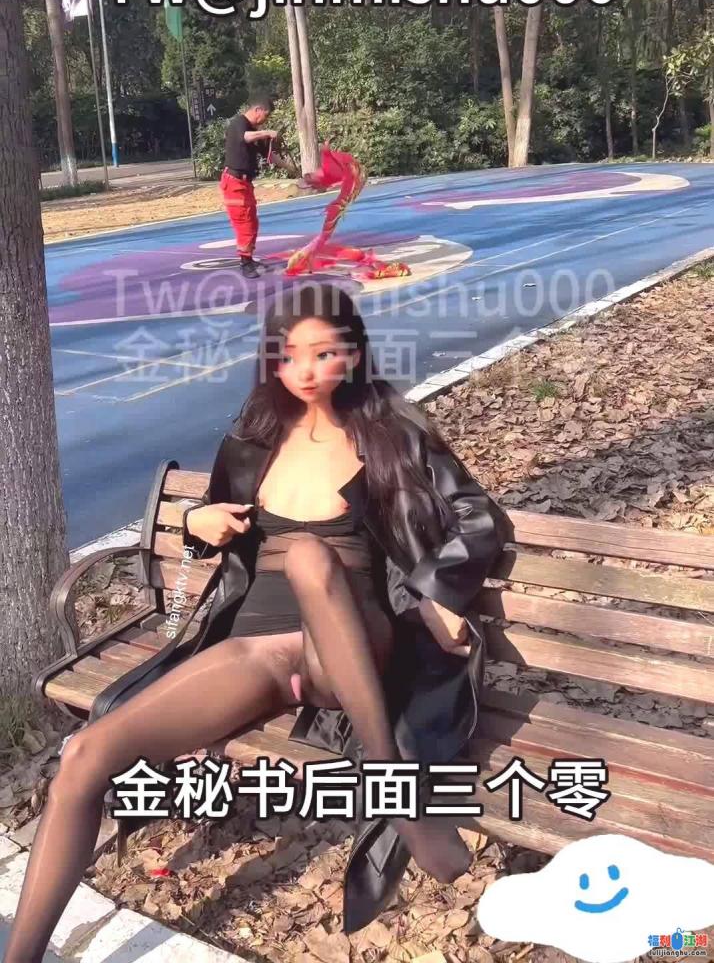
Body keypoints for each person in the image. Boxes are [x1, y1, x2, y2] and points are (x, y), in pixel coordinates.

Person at [5, 283, 513, 960]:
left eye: (324, 353)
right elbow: (215, 524)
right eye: (289, 354)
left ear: (354, 353)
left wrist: (440, 593)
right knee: (84, 756)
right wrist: (197, 520)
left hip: (353, 645)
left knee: (307, 556)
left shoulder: (392, 430)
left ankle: (393, 790)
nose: (306, 370)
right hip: (259, 648)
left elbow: (479, 516)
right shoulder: (254, 435)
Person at [220, 98, 298, 278]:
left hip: (246, 183)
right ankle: (245, 263)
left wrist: (290, 168)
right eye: (266, 115)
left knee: (252, 221)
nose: (266, 120)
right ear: (258, 110)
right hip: (234, 182)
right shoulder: (238, 123)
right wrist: (267, 133)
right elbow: (245, 137)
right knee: (244, 223)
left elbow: (270, 156)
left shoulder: (255, 132)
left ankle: (248, 257)